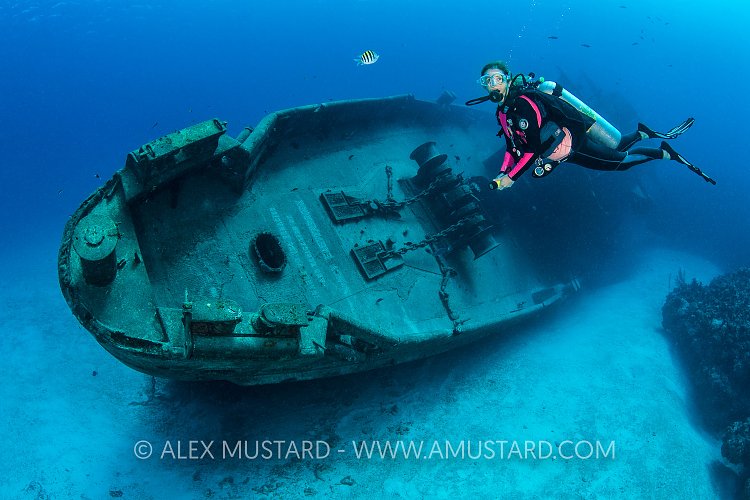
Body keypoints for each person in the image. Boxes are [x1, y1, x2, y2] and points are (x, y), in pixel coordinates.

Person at [472, 61, 716, 190]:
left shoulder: (524, 104)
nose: (493, 85)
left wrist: (512, 178)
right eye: (487, 80)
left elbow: (531, 149)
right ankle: (643, 133)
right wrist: (503, 171)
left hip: (571, 145)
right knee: (617, 147)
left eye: (497, 79)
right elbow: (510, 147)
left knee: (619, 162)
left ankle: (666, 153)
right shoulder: (503, 113)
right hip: (560, 152)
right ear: (483, 85)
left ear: (507, 79)